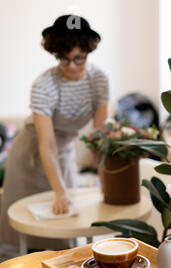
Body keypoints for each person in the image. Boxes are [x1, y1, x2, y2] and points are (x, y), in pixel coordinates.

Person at [0, 15, 109, 250]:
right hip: (31, 153)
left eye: (78, 59)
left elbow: (98, 138)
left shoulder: (98, 80)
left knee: (65, 228)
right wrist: (59, 193)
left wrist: (105, 184)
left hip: (64, 151)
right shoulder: (44, 85)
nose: (71, 66)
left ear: (88, 52)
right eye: (64, 59)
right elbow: (47, 145)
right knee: (27, 228)